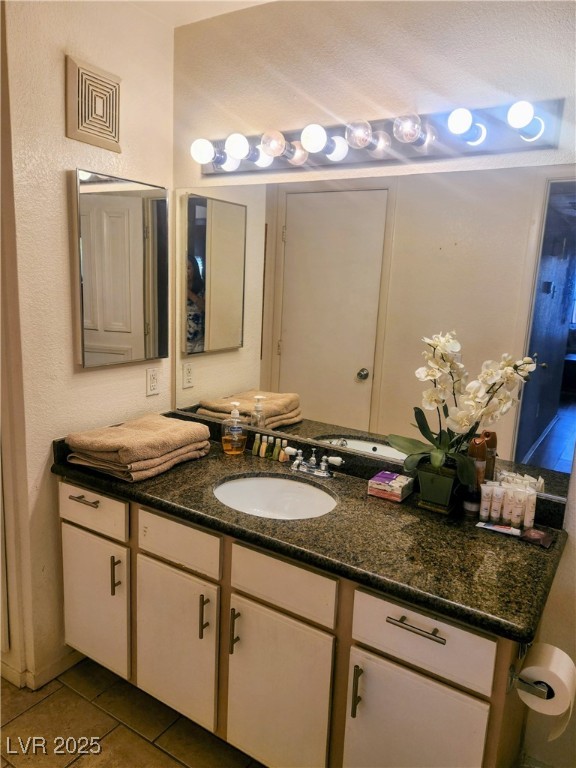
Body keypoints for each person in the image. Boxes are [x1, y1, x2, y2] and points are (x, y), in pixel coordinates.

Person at [186, 256, 205, 353]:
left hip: (199, 337)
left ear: (194, 269)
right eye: (183, 268)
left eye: (188, 268)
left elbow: (204, 307)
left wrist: (189, 293)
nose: (186, 272)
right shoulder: (174, 288)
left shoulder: (202, 287)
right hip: (184, 339)